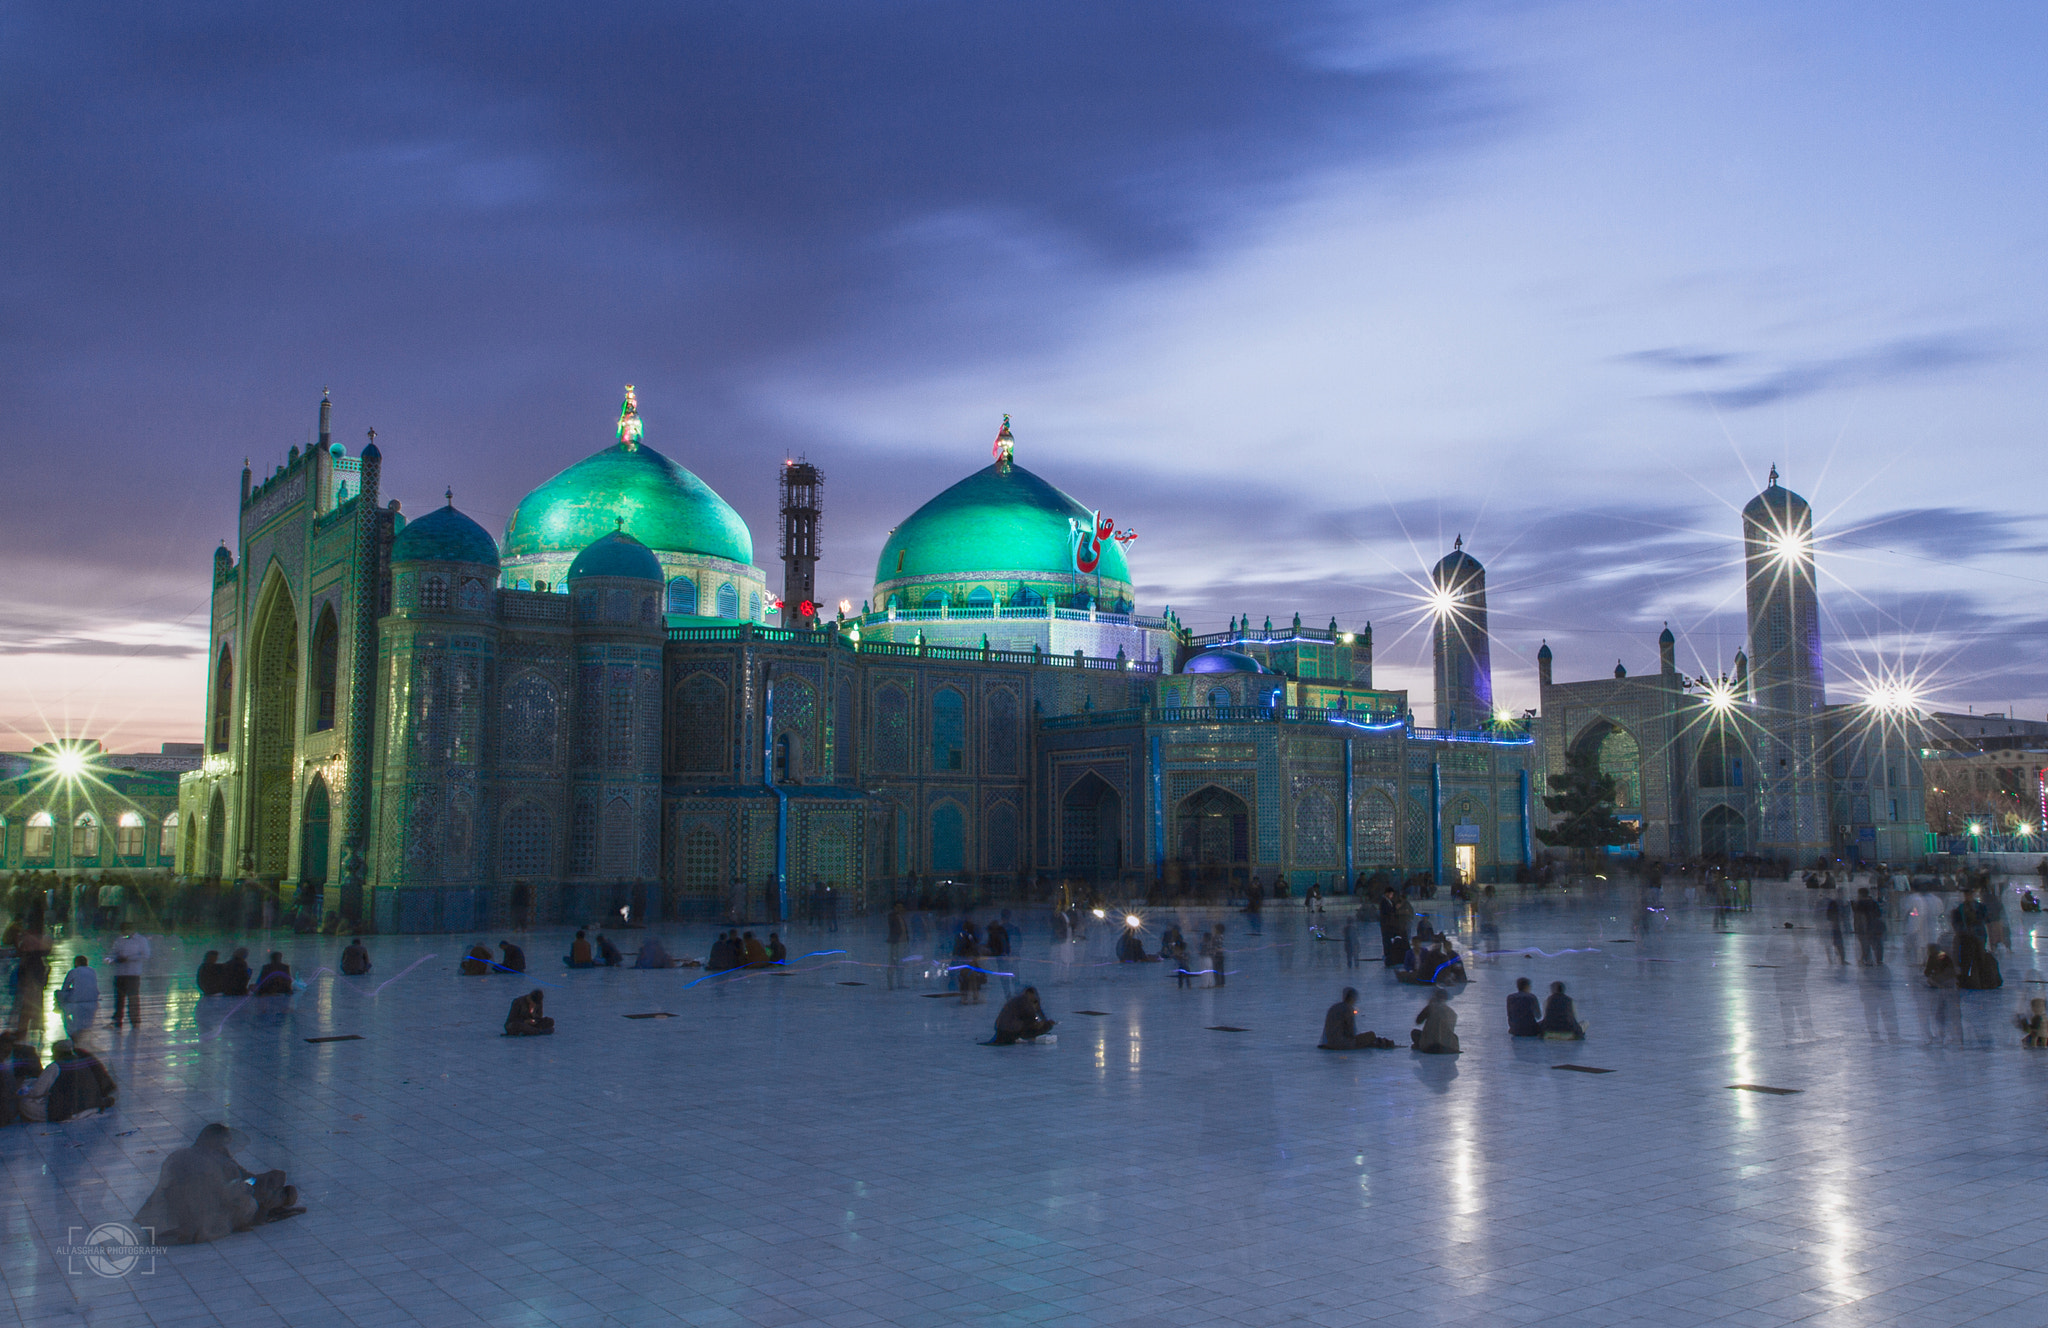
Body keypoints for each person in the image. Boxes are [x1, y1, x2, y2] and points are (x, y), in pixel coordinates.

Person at [134, 1124, 304, 1243]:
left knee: (262, 1190)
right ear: (216, 1142)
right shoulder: (213, 1162)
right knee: (255, 1201)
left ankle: (275, 1196)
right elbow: (225, 1195)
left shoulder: (184, 1154)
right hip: (198, 1222)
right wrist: (247, 1188)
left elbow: (241, 1178)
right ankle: (278, 1198)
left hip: (164, 1221)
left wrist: (253, 1181)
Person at [1320, 987, 1393, 1049]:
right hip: (1341, 1043)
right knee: (1371, 1035)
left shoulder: (1335, 1007)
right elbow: (1350, 1032)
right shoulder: (1348, 1008)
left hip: (1329, 1042)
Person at [107, 928, 150, 1029]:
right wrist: (112, 960)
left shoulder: (141, 940)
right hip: (120, 973)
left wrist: (129, 958)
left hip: (133, 974)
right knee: (119, 998)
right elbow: (112, 954)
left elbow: (146, 955)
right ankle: (118, 1020)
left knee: (133, 998)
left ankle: (135, 1021)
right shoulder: (119, 940)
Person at [991, 987, 1056, 1044]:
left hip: (1002, 1031)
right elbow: (1033, 1024)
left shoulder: (1019, 1000)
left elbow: (1036, 1015)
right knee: (1046, 1027)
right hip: (1011, 1032)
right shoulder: (1026, 1004)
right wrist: (1045, 1024)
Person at [57, 955, 100, 1037]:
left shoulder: (73, 972)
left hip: (77, 1002)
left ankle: (70, 1031)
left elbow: (64, 988)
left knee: (59, 996)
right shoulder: (92, 971)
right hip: (93, 1001)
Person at [1410, 988, 1460, 1053]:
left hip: (1430, 1046)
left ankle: (1420, 1044)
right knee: (1453, 1036)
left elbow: (1418, 1021)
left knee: (1415, 1033)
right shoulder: (1452, 1013)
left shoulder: (1431, 1007)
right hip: (1447, 1047)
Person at [1851, 887, 1886, 965]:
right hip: (1875, 927)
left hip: (1864, 928)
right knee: (1877, 943)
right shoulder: (1873, 902)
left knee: (1865, 944)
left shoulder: (1859, 904)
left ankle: (1868, 960)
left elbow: (1858, 917)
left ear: (1860, 894)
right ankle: (1879, 959)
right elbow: (1879, 914)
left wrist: (1857, 929)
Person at [954, 925, 987, 1004]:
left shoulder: (963, 939)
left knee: (968, 979)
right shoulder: (968, 939)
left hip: (965, 963)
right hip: (966, 963)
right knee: (970, 979)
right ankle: (971, 997)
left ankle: (967, 997)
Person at [886, 902, 908, 990]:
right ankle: (890, 984)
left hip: (902, 943)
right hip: (896, 943)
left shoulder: (900, 917)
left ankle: (900, 983)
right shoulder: (893, 916)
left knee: (900, 963)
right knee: (893, 963)